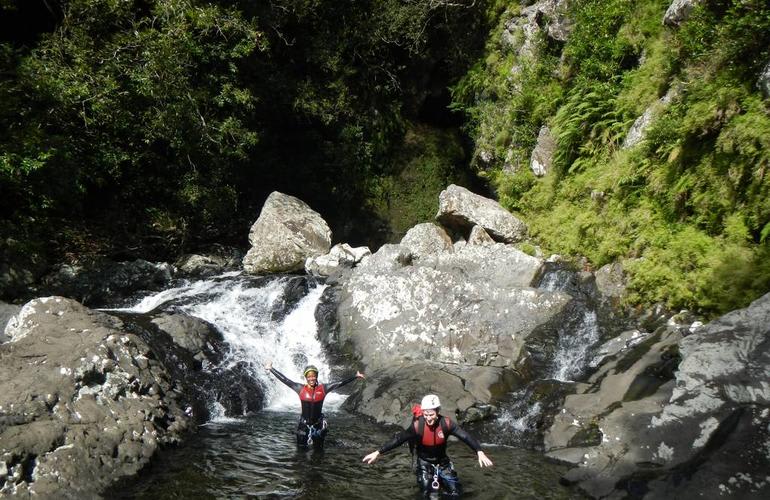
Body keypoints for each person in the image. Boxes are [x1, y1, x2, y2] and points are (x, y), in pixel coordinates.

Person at [362, 394, 493, 497]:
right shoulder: (417, 426)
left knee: (456, 493)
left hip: (443, 463)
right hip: (424, 463)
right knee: (427, 494)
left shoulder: (446, 424)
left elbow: (465, 436)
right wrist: (378, 452)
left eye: (431, 414)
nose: (428, 418)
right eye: (425, 414)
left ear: (438, 411)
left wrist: (479, 451)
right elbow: (399, 439)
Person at [266, 361, 364, 448]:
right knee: (301, 450)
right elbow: (285, 380)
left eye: (313, 376)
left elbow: (340, 383)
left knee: (319, 450)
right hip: (304, 426)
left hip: (318, 425)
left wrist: (355, 376)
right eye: (309, 376)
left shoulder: (323, 389)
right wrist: (271, 369)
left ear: (316, 376)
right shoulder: (300, 388)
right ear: (306, 377)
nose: (311, 378)